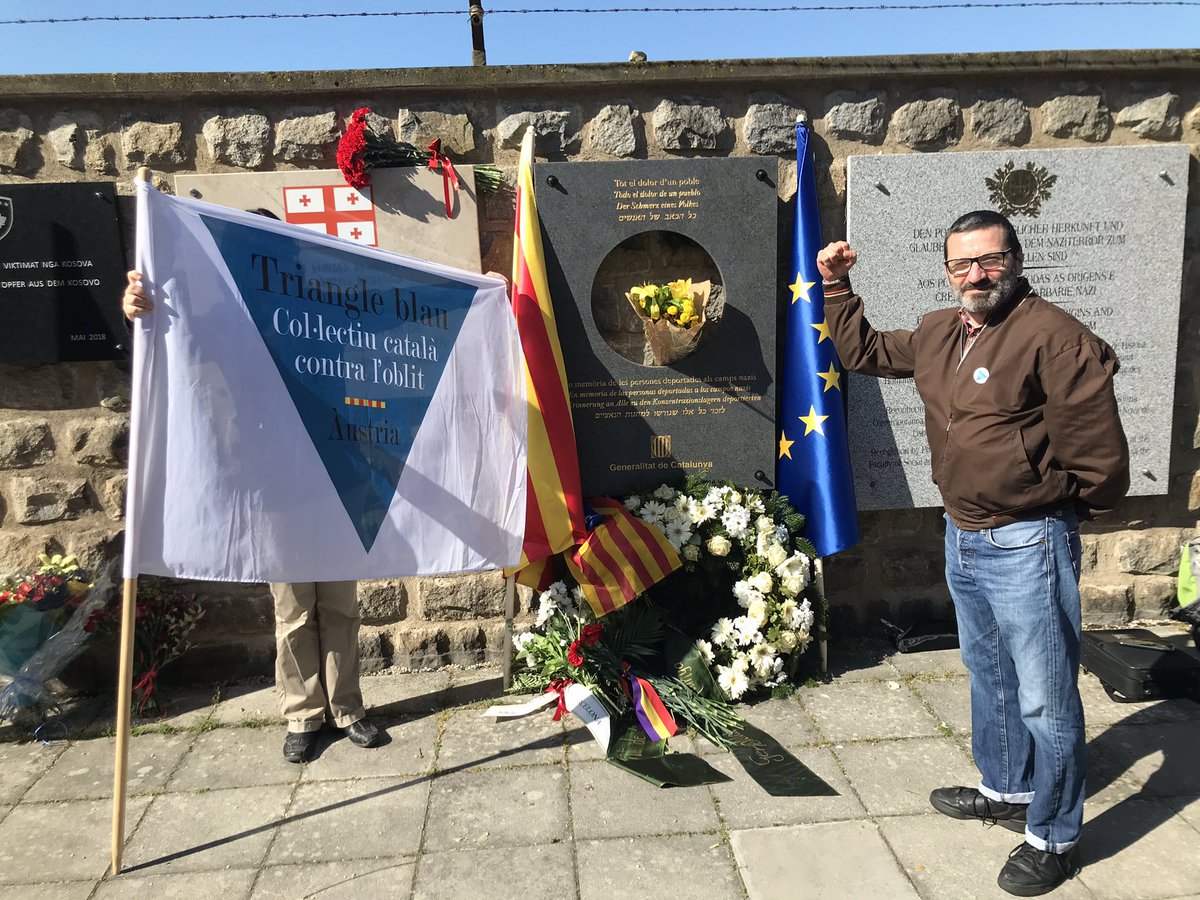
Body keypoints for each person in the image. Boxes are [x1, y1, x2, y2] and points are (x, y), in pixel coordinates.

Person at [816, 210, 1129, 897]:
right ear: (949, 272)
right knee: (991, 675)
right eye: (962, 264)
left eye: (988, 260)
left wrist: (1055, 515)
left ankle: (1053, 832)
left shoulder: (1055, 337)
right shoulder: (939, 331)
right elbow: (864, 351)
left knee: (1046, 698)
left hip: (1027, 539)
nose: (976, 275)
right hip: (963, 534)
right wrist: (836, 288)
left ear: (1015, 259)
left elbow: (1100, 454)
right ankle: (1008, 789)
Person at [122, 270, 382, 763]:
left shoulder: (317, 312)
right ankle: (303, 714)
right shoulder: (222, 325)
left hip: (336, 479)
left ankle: (346, 708)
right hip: (273, 486)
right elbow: (171, 348)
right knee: (294, 609)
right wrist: (137, 311)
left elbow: (391, 317)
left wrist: (472, 296)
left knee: (340, 606)